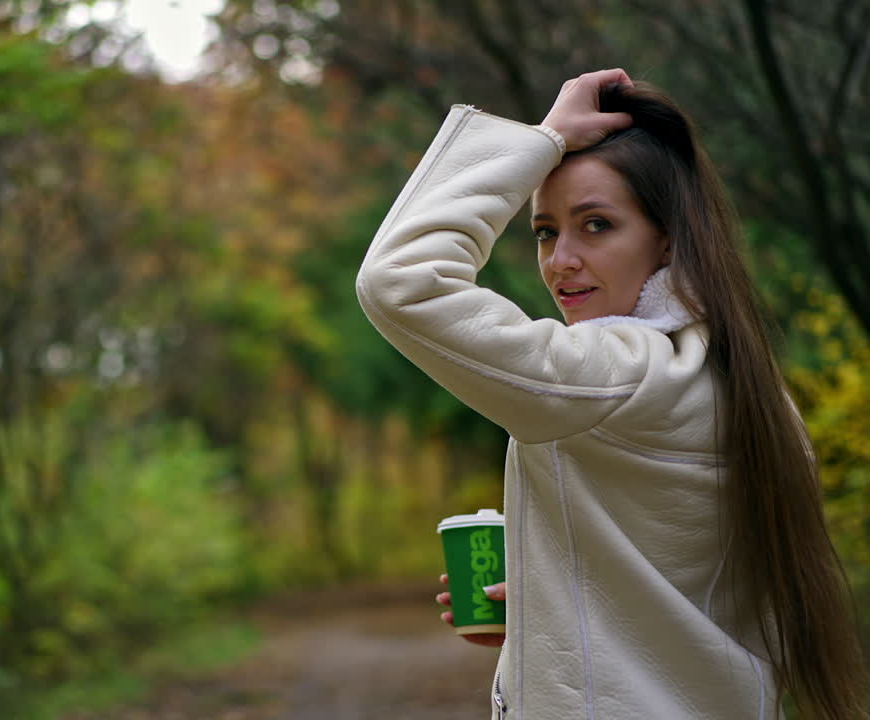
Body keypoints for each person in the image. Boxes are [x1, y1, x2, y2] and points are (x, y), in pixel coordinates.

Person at [355, 69, 866, 719]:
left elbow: (401, 281)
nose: (560, 258)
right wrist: (550, 616)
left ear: (669, 238)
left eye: (595, 225)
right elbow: (697, 610)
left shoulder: (615, 377)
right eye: (545, 230)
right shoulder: (750, 389)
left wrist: (540, 141)